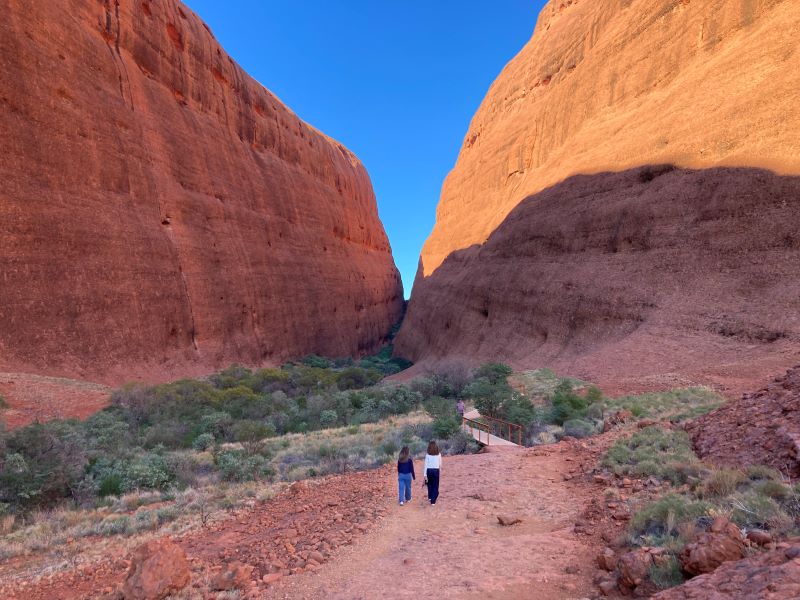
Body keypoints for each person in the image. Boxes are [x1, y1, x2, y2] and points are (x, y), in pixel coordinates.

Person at [423, 440, 442, 505]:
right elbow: (440, 464)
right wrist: (440, 471)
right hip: (436, 471)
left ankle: (430, 497)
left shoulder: (427, 455)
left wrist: (425, 475)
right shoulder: (439, 454)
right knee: (435, 485)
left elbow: (425, 465)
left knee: (429, 485)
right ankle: (433, 501)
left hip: (429, 471)